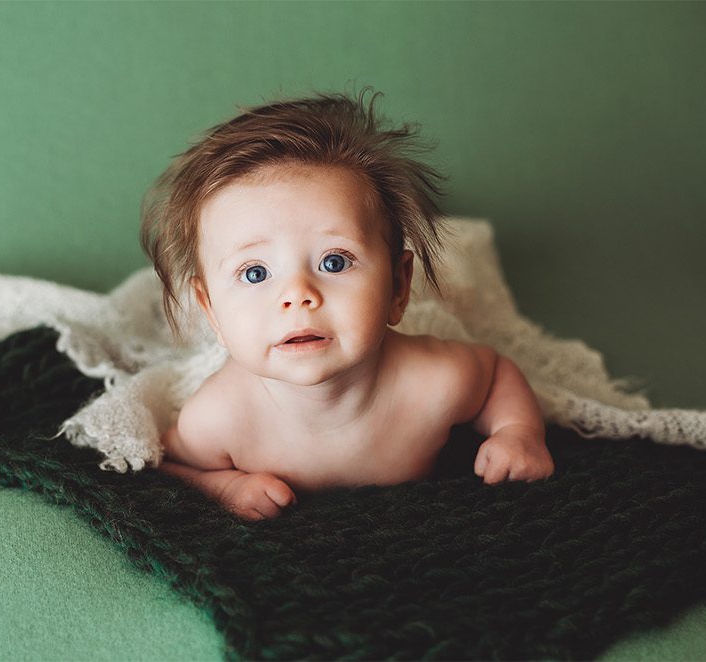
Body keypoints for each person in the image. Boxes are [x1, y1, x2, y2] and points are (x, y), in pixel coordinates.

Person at [141, 90, 552, 520]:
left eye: (333, 261)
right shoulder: (218, 418)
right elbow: (167, 466)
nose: (297, 295)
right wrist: (225, 486)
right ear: (211, 313)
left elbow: (496, 375)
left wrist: (519, 433)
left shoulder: (433, 382)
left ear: (398, 286)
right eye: (255, 273)